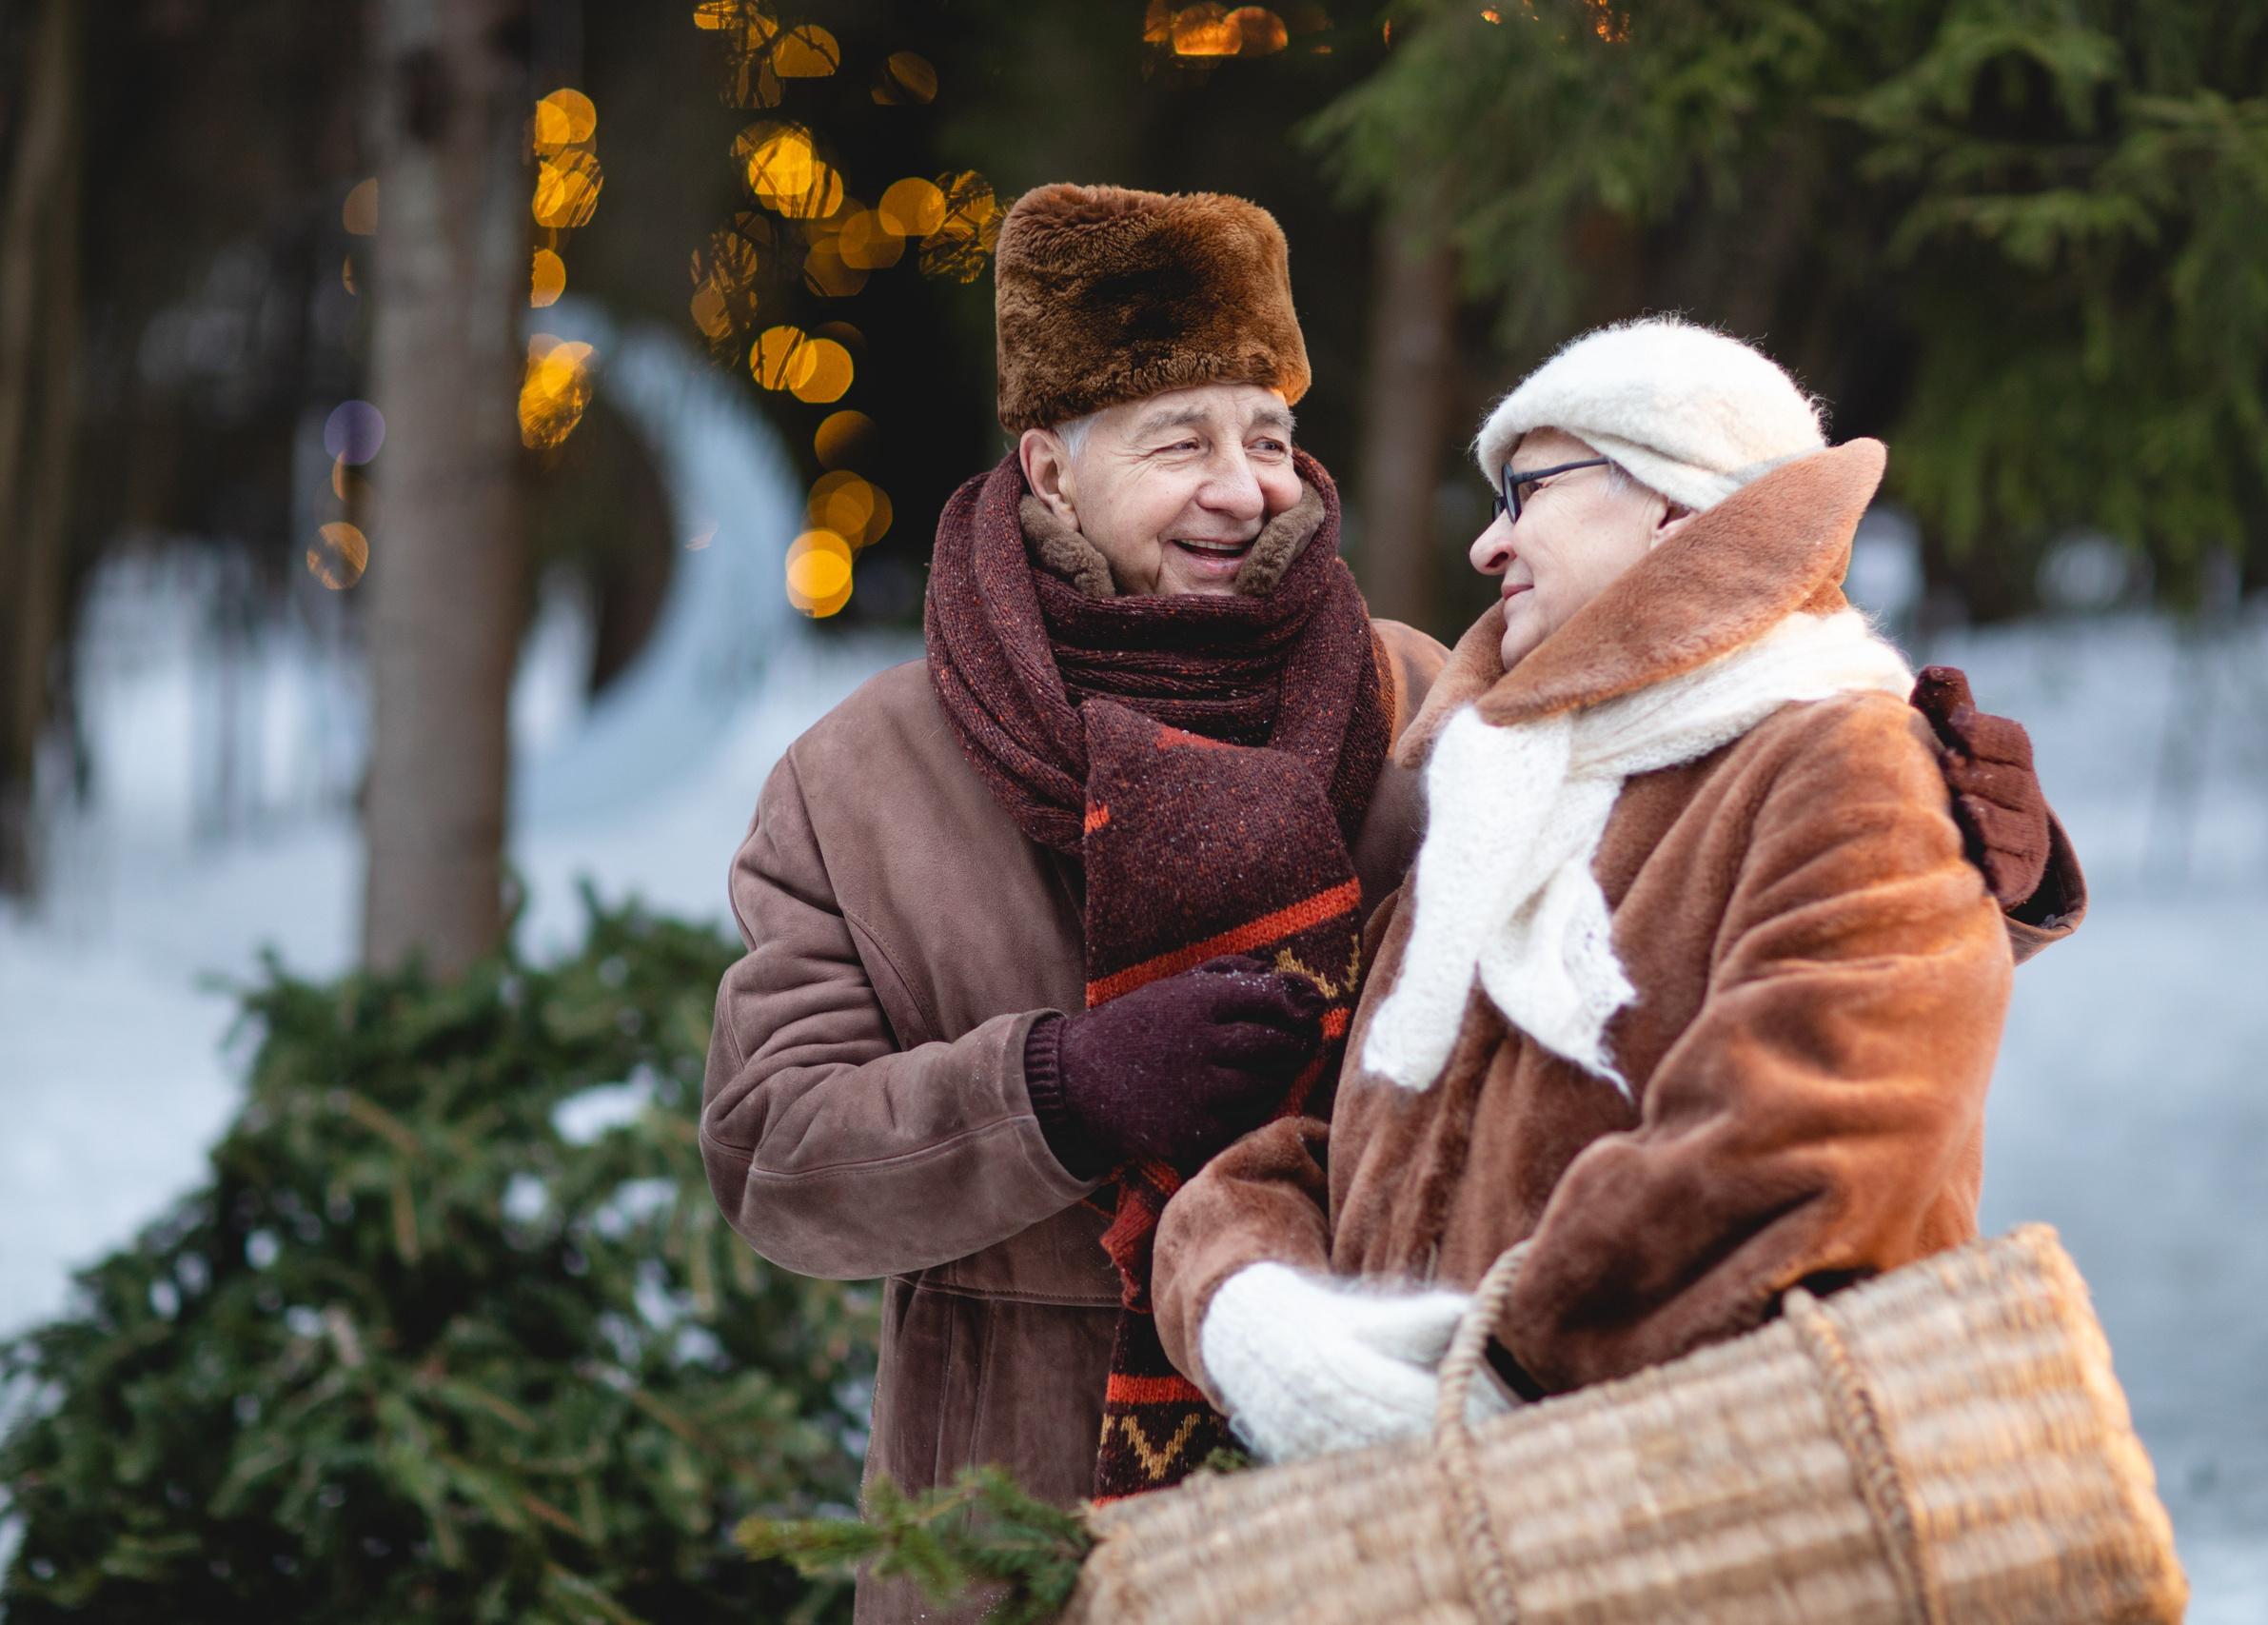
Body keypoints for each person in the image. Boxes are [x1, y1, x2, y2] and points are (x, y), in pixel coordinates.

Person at [701, 193, 2078, 1616]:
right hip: (1017, 1511)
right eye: (1182, 441)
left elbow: (1689, 893)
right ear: (1051, 465)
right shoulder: (860, 780)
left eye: (1272, 438)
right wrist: (1059, 1087)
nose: (1249, 490)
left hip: (1410, 1500)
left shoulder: (1429, 699)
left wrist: (1981, 856)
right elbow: (772, 1158)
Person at [1150, 318, 2072, 1463]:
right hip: (1464, 1524)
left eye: (1525, 492)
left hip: (1718, 1508)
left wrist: (1503, 1370)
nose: (1490, 550)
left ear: (1677, 504)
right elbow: (1329, 1132)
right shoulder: (1502, 791)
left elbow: (1812, 1141)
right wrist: (1253, 1310)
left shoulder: (1840, 759)